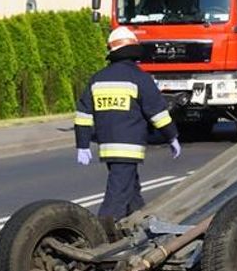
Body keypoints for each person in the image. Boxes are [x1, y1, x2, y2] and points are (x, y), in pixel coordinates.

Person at [75, 26, 180, 232]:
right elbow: (157, 113)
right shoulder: (139, 78)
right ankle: (99, 235)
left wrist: (82, 144)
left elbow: (83, 115)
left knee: (131, 191)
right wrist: (172, 136)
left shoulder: (98, 79)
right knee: (117, 195)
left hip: (107, 147)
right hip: (129, 147)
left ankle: (142, 226)